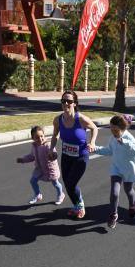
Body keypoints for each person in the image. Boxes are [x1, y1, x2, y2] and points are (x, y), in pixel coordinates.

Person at [50, 90, 98, 219]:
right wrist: (51, 149)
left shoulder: (81, 119)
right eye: (63, 101)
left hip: (80, 156)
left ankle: (80, 205)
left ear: (75, 104)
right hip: (66, 156)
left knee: (71, 183)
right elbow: (55, 135)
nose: (66, 103)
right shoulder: (58, 119)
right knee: (67, 183)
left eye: (69, 101)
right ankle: (77, 206)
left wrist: (92, 142)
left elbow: (94, 128)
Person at [95, 115, 135, 229]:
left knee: (128, 190)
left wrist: (125, 142)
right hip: (116, 169)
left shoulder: (129, 138)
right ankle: (113, 214)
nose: (113, 132)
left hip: (129, 170)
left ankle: (132, 205)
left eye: (115, 130)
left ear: (122, 129)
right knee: (115, 192)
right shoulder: (113, 138)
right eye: (111, 129)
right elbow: (109, 151)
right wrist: (95, 148)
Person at [17, 126, 65, 205]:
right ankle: (38, 194)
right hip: (39, 168)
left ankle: (61, 194)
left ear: (44, 135)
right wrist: (23, 160)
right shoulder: (34, 146)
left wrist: (53, 155)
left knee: (55, 183)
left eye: (41, 136)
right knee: (33, 181)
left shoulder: (48, 145)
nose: (40, 139)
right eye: (37, 137)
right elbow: (32, 156)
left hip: (50, 169)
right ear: (33, 138)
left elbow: (54, 153)